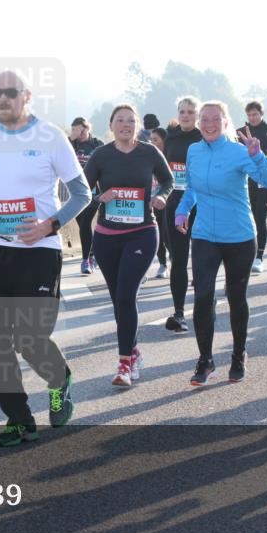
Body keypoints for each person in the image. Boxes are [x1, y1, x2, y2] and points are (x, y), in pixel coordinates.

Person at [0, 70, 91, 447]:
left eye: (10, 92)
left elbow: (81, 194)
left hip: (39, 250)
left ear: (27, 96)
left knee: (30, 338)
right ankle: (18, 420)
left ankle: (59, 380)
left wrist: (50, 226)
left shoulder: (50, 136)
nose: (2, 98)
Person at [175, 101, 267, 385]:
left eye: (215, 119)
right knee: (202, 297)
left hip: (239, 237)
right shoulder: (194, 151)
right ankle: (205, 360)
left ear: (225, 122)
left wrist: (258, 157)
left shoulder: (239, 151)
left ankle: (238, 354)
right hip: (204, 235)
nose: (209, 124)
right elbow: (193, 188)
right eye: (204, 119)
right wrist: (182, 209)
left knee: (236, 297)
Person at [84, 104, 173, 387]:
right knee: (119, 300)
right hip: (107, 236)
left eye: (130, 121)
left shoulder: (149, 152)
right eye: (120, 120)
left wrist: (162, 197)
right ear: (111, 126)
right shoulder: (101, 154)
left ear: (137, 125)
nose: (125, 125)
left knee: (125, 295)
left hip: (142, 232)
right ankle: (133, 351)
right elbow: (83, 191)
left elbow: (168, 180)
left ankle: (124, 364)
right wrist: (101, 196)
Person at [162, 96, 203, 332]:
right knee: (178, 258)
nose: (185, 115)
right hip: (174, 204)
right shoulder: (172, 138)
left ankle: (204, 301)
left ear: (197, 115)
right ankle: (179, 313)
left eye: (190, 111)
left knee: (200, 257)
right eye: (182, 111)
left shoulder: (203, 138)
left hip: (201, 205)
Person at [241, 100, 267, 273]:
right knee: (246, 218)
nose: (252, 117)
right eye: (249, 115)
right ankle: (246, 254)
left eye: (255, 114)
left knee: (260, 217)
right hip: (246, 180)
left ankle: (259, 257)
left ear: (261, 114)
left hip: (264, 179)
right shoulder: (240, 132)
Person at [69, 116, 103, 274]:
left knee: (85, 223)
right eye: (75, 130)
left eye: (81, 130)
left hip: (93, 192)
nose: (79, 134)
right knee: (80, 222)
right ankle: (92, 253)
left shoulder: (97, 145)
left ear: (87, 128)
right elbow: (58, 155)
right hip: (74, 192)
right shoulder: (71, 144)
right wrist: (71, 138)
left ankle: (85, 261)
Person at [149, 127, 171, 279]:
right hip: (153, 200)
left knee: (168, 233)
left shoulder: (171, 155)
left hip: (171, 200)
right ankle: (163, 264)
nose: (152, 143)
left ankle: (174, 257)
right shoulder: (148, 156)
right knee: (158, 234)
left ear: (164, 140)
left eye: (155, 140)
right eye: (151, 140)